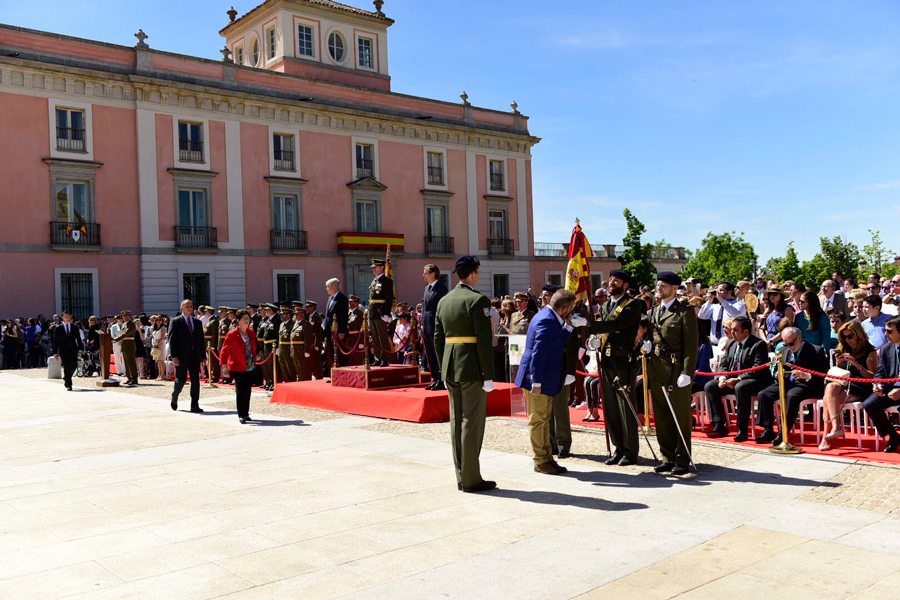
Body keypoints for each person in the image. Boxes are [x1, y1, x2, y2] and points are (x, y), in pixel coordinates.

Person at [434, 255, 496, 493]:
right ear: (473, 273)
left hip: (450, 366)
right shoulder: (478, 300)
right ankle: (471, 478)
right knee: (471, 422)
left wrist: (443, 367)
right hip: (471, 367)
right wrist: (487, 374)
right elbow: (482, 341)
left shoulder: (444, 300)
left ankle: (462, 475)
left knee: (456, 421)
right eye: (478, 272)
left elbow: (437, 339)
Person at [516, 289, 577, 475]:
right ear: (564, 308)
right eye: (571, 308)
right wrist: (536, 381)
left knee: (544, 418)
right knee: (539, 420)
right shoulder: (546, 320)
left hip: (544, 377)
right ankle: (540, 460)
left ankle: (547, 457)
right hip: (538, 378)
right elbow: (539, 352)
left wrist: (569, 328)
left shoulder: (548, 316)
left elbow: (555, 340)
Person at [588, 269, 642, 466]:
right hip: (606, 360)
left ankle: (630, 451)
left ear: (625, 285)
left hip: (622, 361)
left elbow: (617, 325)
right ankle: (618, 448)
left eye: (616, 280)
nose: (611, 282)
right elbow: (605, 329)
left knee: (625, 408)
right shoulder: (606, 305)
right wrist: (593, 338)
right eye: (611, 279)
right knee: (610, 407)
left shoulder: (633, 304)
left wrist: (589, 325)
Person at [647, 271, 698, 475]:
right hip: (657, 367)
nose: (659, 288)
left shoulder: (684, 311)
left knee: (680, 415)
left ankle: (682, 458)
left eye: (664, 285)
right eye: (658, 284)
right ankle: (666, 456)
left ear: (675, 288)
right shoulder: (654, 311)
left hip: (677, 368)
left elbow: (691, 345)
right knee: (661, 415)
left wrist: (687, 371)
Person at [703, 317, 773, 441]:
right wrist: (722, 378)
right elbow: (724, 364)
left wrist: (738, 379)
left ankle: (742, 428)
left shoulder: (758, 344)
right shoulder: (731, 343)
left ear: (745, 331)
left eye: (735, 330)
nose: (732, 332)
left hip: (756, 380)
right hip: (732, 379)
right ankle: (719, 424)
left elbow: (757, 368)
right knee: (711, 386)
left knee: (741, 387)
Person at [755, 327, 828, 445]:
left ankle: (783, 432)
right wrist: (778, 374)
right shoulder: (784, 350)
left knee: (792, 395)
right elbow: (777, 369)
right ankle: (768, 429)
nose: (789, 346)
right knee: (764, 394)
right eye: (786, 344)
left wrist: (807, 375)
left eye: (791, 343)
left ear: (799, 338)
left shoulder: (816, 350)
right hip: (787, 382)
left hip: (807, 385)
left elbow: (822, 374)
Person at [819, 321, 877, 450]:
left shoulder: (869, 351)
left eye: (850, 336)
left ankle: (827, 436)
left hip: (861, 386)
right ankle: (835, 427)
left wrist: (856, 364)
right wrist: (839, 363)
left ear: (858, 334)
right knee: (831, 387)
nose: (847, 340)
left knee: (826, 400)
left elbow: (871, 377)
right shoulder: (845, 348)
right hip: (845, 383)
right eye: (844, 337)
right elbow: (842, 372)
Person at [862, 316, 900, 452]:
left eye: (889, 331)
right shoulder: (885, 348)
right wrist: (877, 384)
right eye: (885, 331)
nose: (885, 334)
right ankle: (893, 435)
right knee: (869, 404)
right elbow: (879, 372)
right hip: (889, 389)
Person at [219, 309, 259, 424]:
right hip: (237, 366)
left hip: (250, 365)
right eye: (244, 319)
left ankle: (246, 413)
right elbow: (224, 351)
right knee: (240, 390)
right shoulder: (232, 334)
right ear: (238, 321)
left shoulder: (251, 332)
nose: (247, 321)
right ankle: (241, 414)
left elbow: (255, 345)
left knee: (248, 390)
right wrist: (224, 367)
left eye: (248, 318)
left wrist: (258, 354)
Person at [167, 299, 207, 413]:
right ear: (182, 308)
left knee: (195, 380)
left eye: (191, 306)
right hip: (181, 357)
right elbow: (172, 340)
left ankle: (195, 405)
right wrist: (174, 356)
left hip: (195, 356)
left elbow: (201, 340)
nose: (189, 308)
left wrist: (203, 356)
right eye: (187, 306)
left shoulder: (197, 322)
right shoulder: (175, 322)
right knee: (181, 380)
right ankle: (175, 396)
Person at [421, 264, 449, 390]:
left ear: (433, 274)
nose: (424, 275)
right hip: (426, 326)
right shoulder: (427, 288)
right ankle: (435, 378)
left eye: (426, 273)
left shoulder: (441, 288)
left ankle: (442, 380)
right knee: (430, 353)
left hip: (436, 326)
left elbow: (442, 308)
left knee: (438, 354)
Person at [698, 281, 747, 345]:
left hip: (731, 344)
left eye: (721, 290)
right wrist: (709, 302)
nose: (717, 293)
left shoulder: (738, 305)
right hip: (714, 345)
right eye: (717, 290)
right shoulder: (714, 305)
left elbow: (736, 314)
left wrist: (722, 300)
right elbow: (701, 316)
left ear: (730, 292)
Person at [368, 258, 394, 367]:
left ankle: (385, 359)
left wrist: (386, 314)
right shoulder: (374, 281)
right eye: (373, 267)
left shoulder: (386, 281)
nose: (373, 269)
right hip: (373, 313)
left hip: (381, 313)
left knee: (382, 337)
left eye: (375, 267)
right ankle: (377, 358)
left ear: (382, 267)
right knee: (374, 337)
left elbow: (388, 299)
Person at [52, 310, 83, 390]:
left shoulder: (74, 327)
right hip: (63, 350)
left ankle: (66, 377)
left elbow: (78, 339)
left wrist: (80, 349)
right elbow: (55, 341)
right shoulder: (58, 328)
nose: (66, 318)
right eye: (65, 317)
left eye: (68, 317)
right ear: (62, 318)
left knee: (74, 365)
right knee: (66, 366)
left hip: (73, 349)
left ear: (70, 317)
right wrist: (55, 353)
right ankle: (69, 385)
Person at [324, 278, 349, 373]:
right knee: (331, 354)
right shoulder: (330, 298)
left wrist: (342, 331)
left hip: (338, 332)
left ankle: (343, 374)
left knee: (340, 354)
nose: (326, 288)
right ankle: (334, 374)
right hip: (330, 332)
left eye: (328, 286)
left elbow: (343, 316)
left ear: (334, 287)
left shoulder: (342, 298)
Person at [111, 311, 138, 386]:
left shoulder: (131, 324)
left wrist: (116, 339)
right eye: (124, 316)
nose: (125, 317)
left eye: (126, 316)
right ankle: (129, 378)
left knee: (131, 362)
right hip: (124, 344)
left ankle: (134, 378)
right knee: (126, 362)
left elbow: (126, 334)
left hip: (129, 344)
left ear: (129, 316)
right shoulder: (124, 324)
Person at [291, 304, 315, 381]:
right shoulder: (296, 324)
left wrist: (307, 350)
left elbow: (308, 338)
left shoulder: (306, 324)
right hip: (295, 350)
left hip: (302, 350)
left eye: (297, 314)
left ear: (302, 314)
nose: (295, 316)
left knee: (304, 370)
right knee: (298, 369)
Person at [257, 304, 278, 390]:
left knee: (272, 365)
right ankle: (269, 381)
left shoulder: (276, 320)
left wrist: (277, 347)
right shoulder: (268, 320)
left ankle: (274, 382)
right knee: (267, 365)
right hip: (266, 345)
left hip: (272, 345)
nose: (266, 311)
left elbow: (277, 334)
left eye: (268, 310)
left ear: (272, 310)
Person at [276, 307, 296, 382]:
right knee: (283, 367)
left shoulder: (292, 324)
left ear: (288, 315)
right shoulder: (281, 325)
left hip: (288, 348)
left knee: (290, 367)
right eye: (281, 314)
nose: (281, 316)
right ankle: (287, 380)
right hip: (281, 348)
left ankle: (292, 381)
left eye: (283, 314)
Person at [305, 300, 324, 379]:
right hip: (310, 341)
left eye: (309, 307)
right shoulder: (308, 316)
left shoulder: (316, 317)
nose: (307, 308)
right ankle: (314, 375)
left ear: (313, 307)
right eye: (307, 307)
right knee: (311, 361)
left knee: (317, 361)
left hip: (315, 341)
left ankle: (319, 377)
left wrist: (317, 344)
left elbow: (318, 332)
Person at [347, 295, 365, 367]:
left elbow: (362, 328)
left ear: (357, 303)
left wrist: (361, 342)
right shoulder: (348, 314)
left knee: (357, 359)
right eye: (349, 302)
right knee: (350, 359)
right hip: (349, 339)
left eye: (352, 302)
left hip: (356, 339)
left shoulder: (359, 313)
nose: (350, 304)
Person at [204, 307, 220, 383]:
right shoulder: (209, 321)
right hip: (208, 344)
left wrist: (213, 345)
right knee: (210, 361)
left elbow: (214, 335)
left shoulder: (213, 321)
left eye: (206, 312)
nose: (205, 313)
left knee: (213, 361)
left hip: (211, 344)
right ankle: (211, 376)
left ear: (209, 312)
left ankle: (215, 376)